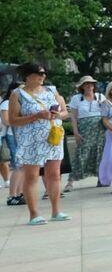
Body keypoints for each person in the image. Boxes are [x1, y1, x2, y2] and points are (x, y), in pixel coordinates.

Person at [6, 61, 70, 225]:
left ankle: (56, 211)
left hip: (52, 137)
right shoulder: (17, 94)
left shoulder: (51, 90)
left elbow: (65, 112)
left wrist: (57, 115)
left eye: (44, 73)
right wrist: (36, 116)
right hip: (30, 141)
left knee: (54, 174)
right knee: (32, 176)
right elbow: (12, 120)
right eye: (39, 73)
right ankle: (34, 214)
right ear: (28, 76)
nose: (43, 76)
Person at [65, 75, 106, 192]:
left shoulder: (100, 97)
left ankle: (101, 178)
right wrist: (75, 132)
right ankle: (70, 181)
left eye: (91, 83)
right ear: (82, 86)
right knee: (81, 154)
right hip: (84, 129)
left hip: (99, 129)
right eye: (86, 84)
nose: (89, 86)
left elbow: (107, 112)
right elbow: (73, 117)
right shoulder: (77, 98)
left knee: (100, 153)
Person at [2, 83, 20, 205]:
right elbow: (6, 121)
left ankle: (19, 193)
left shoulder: (18, 101)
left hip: (19, 135)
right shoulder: (6, 103)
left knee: (22, 167)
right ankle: (13, 195)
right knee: (18, 165)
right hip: (12, 135)